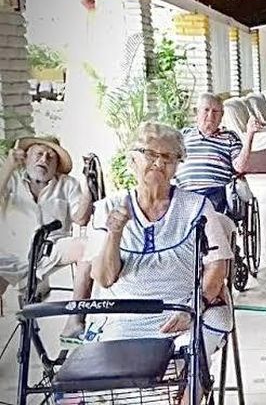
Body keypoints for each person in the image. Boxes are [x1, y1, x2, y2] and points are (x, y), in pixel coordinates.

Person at [85, 123, 233, 400]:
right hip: (124, 314)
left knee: (192, 357)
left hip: (186, 309)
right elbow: (103, 278)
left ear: (178, 165)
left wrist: (192, 308)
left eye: (168, 157)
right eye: (150, 154)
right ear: (132, 160)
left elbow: (217, 267)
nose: (158, 163)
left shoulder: (197, 206)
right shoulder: (110, 207)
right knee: (116, 382)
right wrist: (114, 234)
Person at [0, 136, 93, 340]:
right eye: (39, 154)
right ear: (26, 158)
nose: (44, 159)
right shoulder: (12, 178)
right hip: (11, 253)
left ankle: (74, 322)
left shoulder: (67, 184)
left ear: (57, 166)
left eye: (51, 157)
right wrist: (8, 167)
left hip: (52, 249)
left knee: (90, 248)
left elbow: (81, 219)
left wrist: (88, 189)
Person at [175, 93, 262, 213]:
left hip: (215, 192)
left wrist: (250, 135)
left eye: (215, 111)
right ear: (197, 112)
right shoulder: (183, 135)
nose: (210, 115)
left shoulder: (230, 137)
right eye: (206, 110)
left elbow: (240, 167)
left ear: (222, 116)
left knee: (206, 214)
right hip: (184, 192)